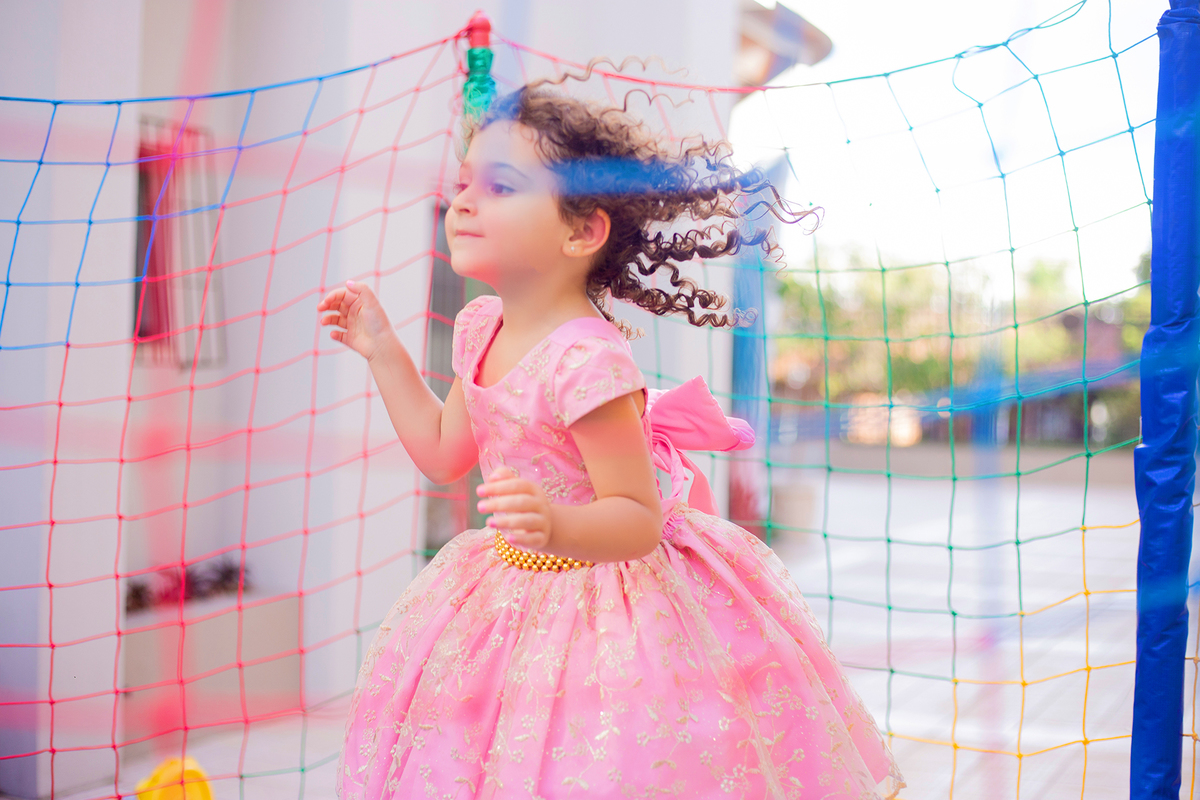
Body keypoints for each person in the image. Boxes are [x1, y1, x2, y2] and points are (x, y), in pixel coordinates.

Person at [321, 81, 903, 799]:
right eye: (464, 182)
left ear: (581, 231)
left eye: (500, 185)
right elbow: (444, 451)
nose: (463, 201)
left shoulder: (585, 359)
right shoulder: (480, 327)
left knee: (591, 764)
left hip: (604, 604)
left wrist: (555, 522)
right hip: (505, 592)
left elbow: (636, 518)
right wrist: (384, 353)